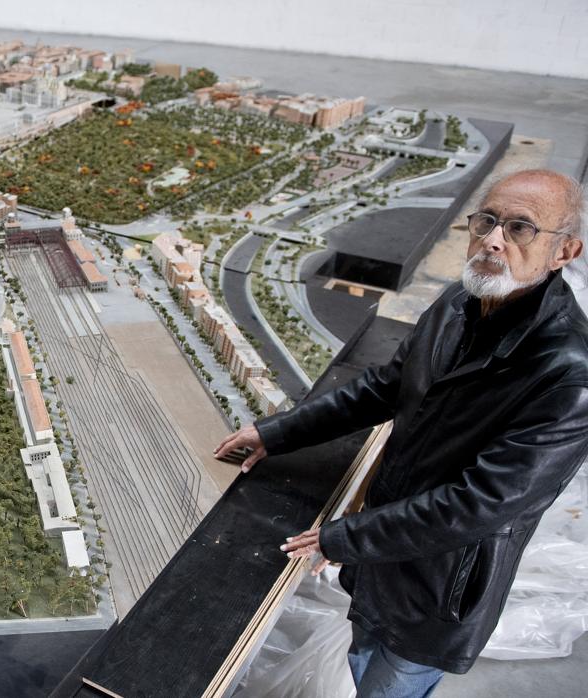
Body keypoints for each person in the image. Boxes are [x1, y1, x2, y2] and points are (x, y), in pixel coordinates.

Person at [214, 169, 588, 698]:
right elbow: (386, 388)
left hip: (437, 592)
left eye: (520, 228)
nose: (493, 240)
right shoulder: (457, 304)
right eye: (486, 221)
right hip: (383, 557)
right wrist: (276, 432)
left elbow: (480, 505)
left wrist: (346, 538)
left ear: (564, 251)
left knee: (390, 686)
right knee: (362, 658)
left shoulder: (569, 374)